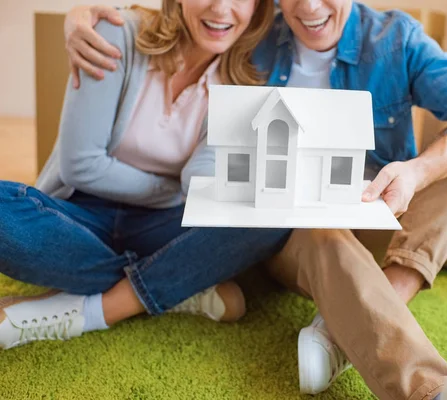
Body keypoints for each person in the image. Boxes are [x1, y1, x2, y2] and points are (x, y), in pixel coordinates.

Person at [63, 1, 447, 399]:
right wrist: (83, 16)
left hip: (382, 216)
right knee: (320, 229)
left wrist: (416, 170)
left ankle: (362, 313)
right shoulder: (254, 38)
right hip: (298, 236)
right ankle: (432, 392)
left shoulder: (394, 39)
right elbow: (186, 22)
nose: (308, 7)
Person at [0, 0, 292, 351]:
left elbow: (196, 182)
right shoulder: (116, 35)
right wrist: (174, 193)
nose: (221, 8)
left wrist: (208, 185)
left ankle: (98, 308)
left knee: (274, 217)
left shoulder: (242, 83)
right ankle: (176, 284)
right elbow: (80, 165)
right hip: (81, 214)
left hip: (162, 225)